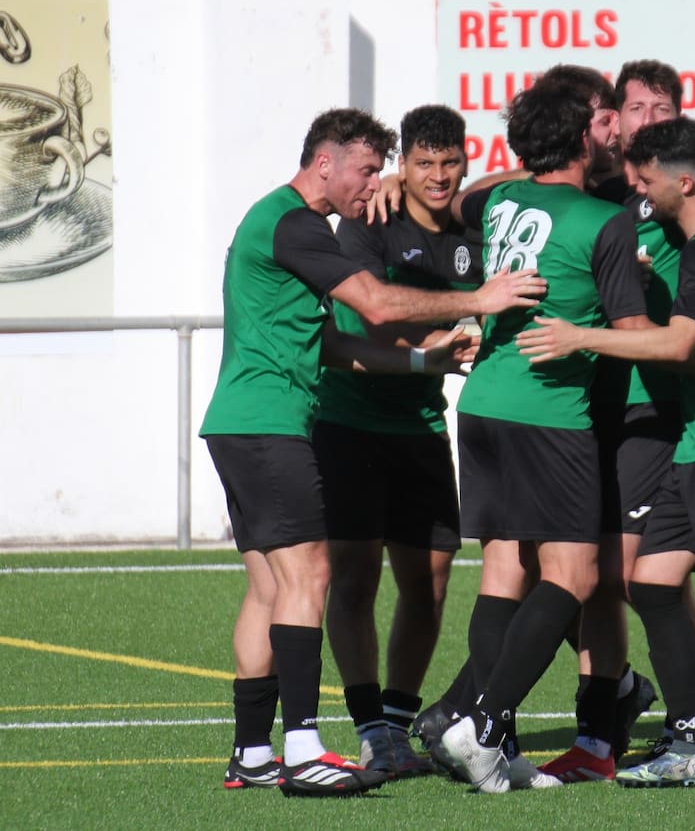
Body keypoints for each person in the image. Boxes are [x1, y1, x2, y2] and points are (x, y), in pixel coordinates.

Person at [199, 107, 545, 797]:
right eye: (365, 170)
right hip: (269, 425)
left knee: (271, 586)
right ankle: (301, 748)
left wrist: (423, 365)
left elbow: (330, 343)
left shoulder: (283, 226)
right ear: (324, 162)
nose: (372, 185)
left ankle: (252, 752)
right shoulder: (296, 223)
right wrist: (481, 297)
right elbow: (377, 305)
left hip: (240, 422)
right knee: (312, 576)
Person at [516, 115, 695, 791]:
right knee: (650, 580)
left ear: (684, 181)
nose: (636, 189)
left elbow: (676, 345)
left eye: (646, 180)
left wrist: (580, 338)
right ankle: (689, 744)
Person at [438, 75, 650, 794]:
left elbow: (469, 200)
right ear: (583, 141)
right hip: (549, 413)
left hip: (484, 403)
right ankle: (486, 724)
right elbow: (633, 335)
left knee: (503, 575)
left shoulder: (501, 199)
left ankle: (497, 749)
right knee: (577, 577)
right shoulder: (604, 221)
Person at [312, 105, 479, 780]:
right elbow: (373, 321)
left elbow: (531, 176)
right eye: (423, 163)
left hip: (422, 425)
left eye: (450, 162)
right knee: (354, 576)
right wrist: (437, 344)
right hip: (351, 421)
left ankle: (398, 724)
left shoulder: (477, 225)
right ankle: (370, 728)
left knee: (430, 580)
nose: (438, 176)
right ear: (402, 166)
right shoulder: (367, 224)